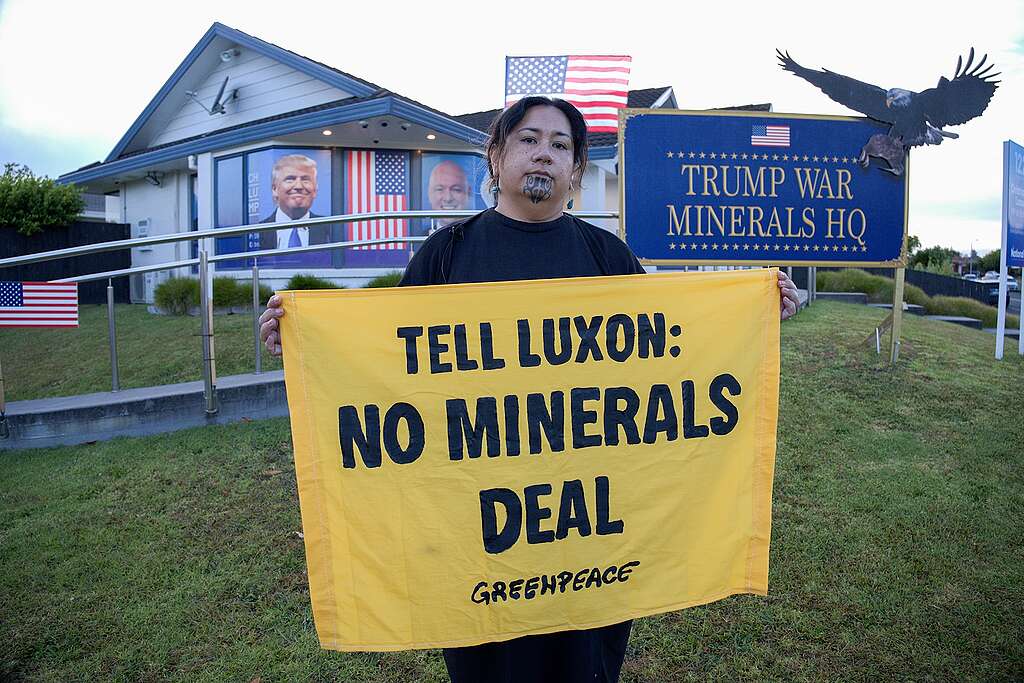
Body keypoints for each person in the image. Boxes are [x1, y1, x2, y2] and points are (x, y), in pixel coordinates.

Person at [259, 97, 801, 682]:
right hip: (478, 537)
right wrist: (310, 346)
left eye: (560, 145)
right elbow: (392, 363)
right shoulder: (446, 255)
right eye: (528, 139)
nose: (543, 152)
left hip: (590, 530)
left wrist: (753, 317)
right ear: (496, 156)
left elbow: (666, 363)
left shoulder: (606, 257)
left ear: (575, 171)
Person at [258, 154, 331, 250]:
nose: (299, 186)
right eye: (290, 179)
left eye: (305, 180)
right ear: (274, 189)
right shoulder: (258, 232)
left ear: (315, 190)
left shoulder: (331, 230)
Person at [426, 159, 472, 233]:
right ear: (429, 193)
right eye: (440, 189)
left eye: (456, 189)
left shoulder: (481, 235)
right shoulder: (416, 239)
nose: (448, 198)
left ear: (468, 193)